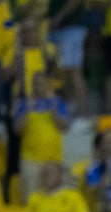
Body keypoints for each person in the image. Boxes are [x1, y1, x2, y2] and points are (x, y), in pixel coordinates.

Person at [13, 71, 71, 199]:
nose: (38, 87)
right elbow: (17, 130)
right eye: (36, 84)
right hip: (30, 160)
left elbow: (65, 127)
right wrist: (27, 110)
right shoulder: (23, 103)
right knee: (31, 198)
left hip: (54, 159)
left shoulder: (58, 102)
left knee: (56, 199)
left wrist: (54, 110)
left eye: (42, 84)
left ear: (49, 85)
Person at [25, 160, 90, 212]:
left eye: (51, 172)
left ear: (61, 175)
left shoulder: (73, 196)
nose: (46, 176)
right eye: (44, 173)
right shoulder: (34, 197)